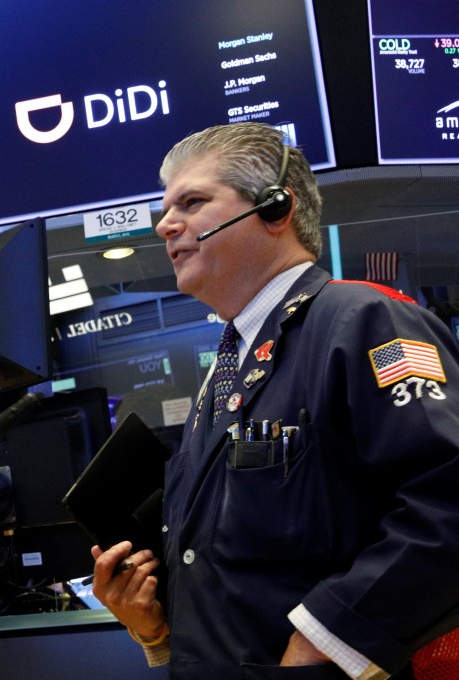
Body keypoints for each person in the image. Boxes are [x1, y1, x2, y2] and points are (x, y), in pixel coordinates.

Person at [89, 122, 459, 679]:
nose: (166, 224)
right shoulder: (225, 371)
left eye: (192, 201)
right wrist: (156, 628)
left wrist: (326, 642)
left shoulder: (364, 321)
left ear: (274, 208)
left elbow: (449, 505)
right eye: (166, 209)